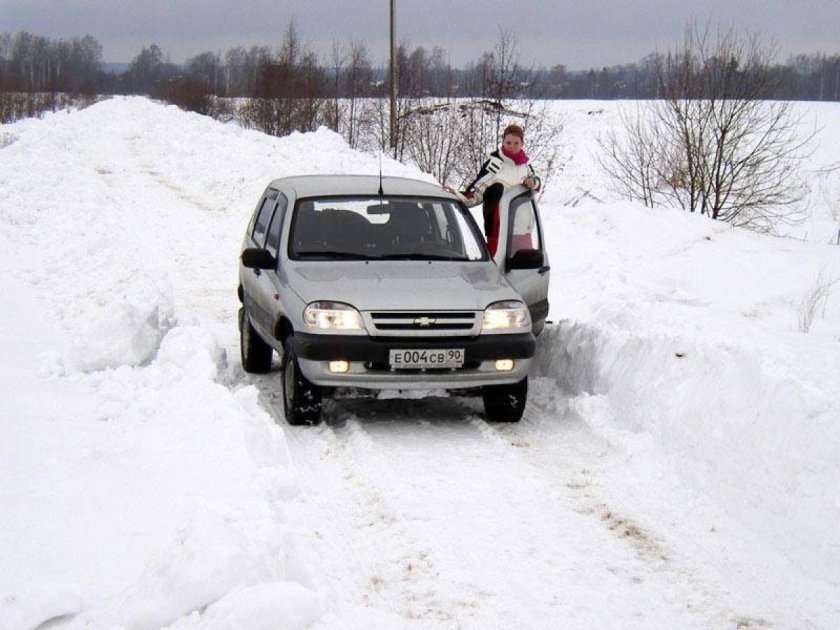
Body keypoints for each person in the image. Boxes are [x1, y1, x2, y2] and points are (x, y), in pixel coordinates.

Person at [446, 124, 541, 256]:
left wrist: (534, 182)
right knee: (497, 268)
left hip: (524, 229)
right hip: (499, 231)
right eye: (508, 142)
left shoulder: (525, 166)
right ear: (503, 142)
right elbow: (475, 194)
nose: (512, 146)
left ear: (522, 144)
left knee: (525, 267)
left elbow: (536, 185)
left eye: (516, 143)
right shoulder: (494, 165)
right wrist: (455, 195)